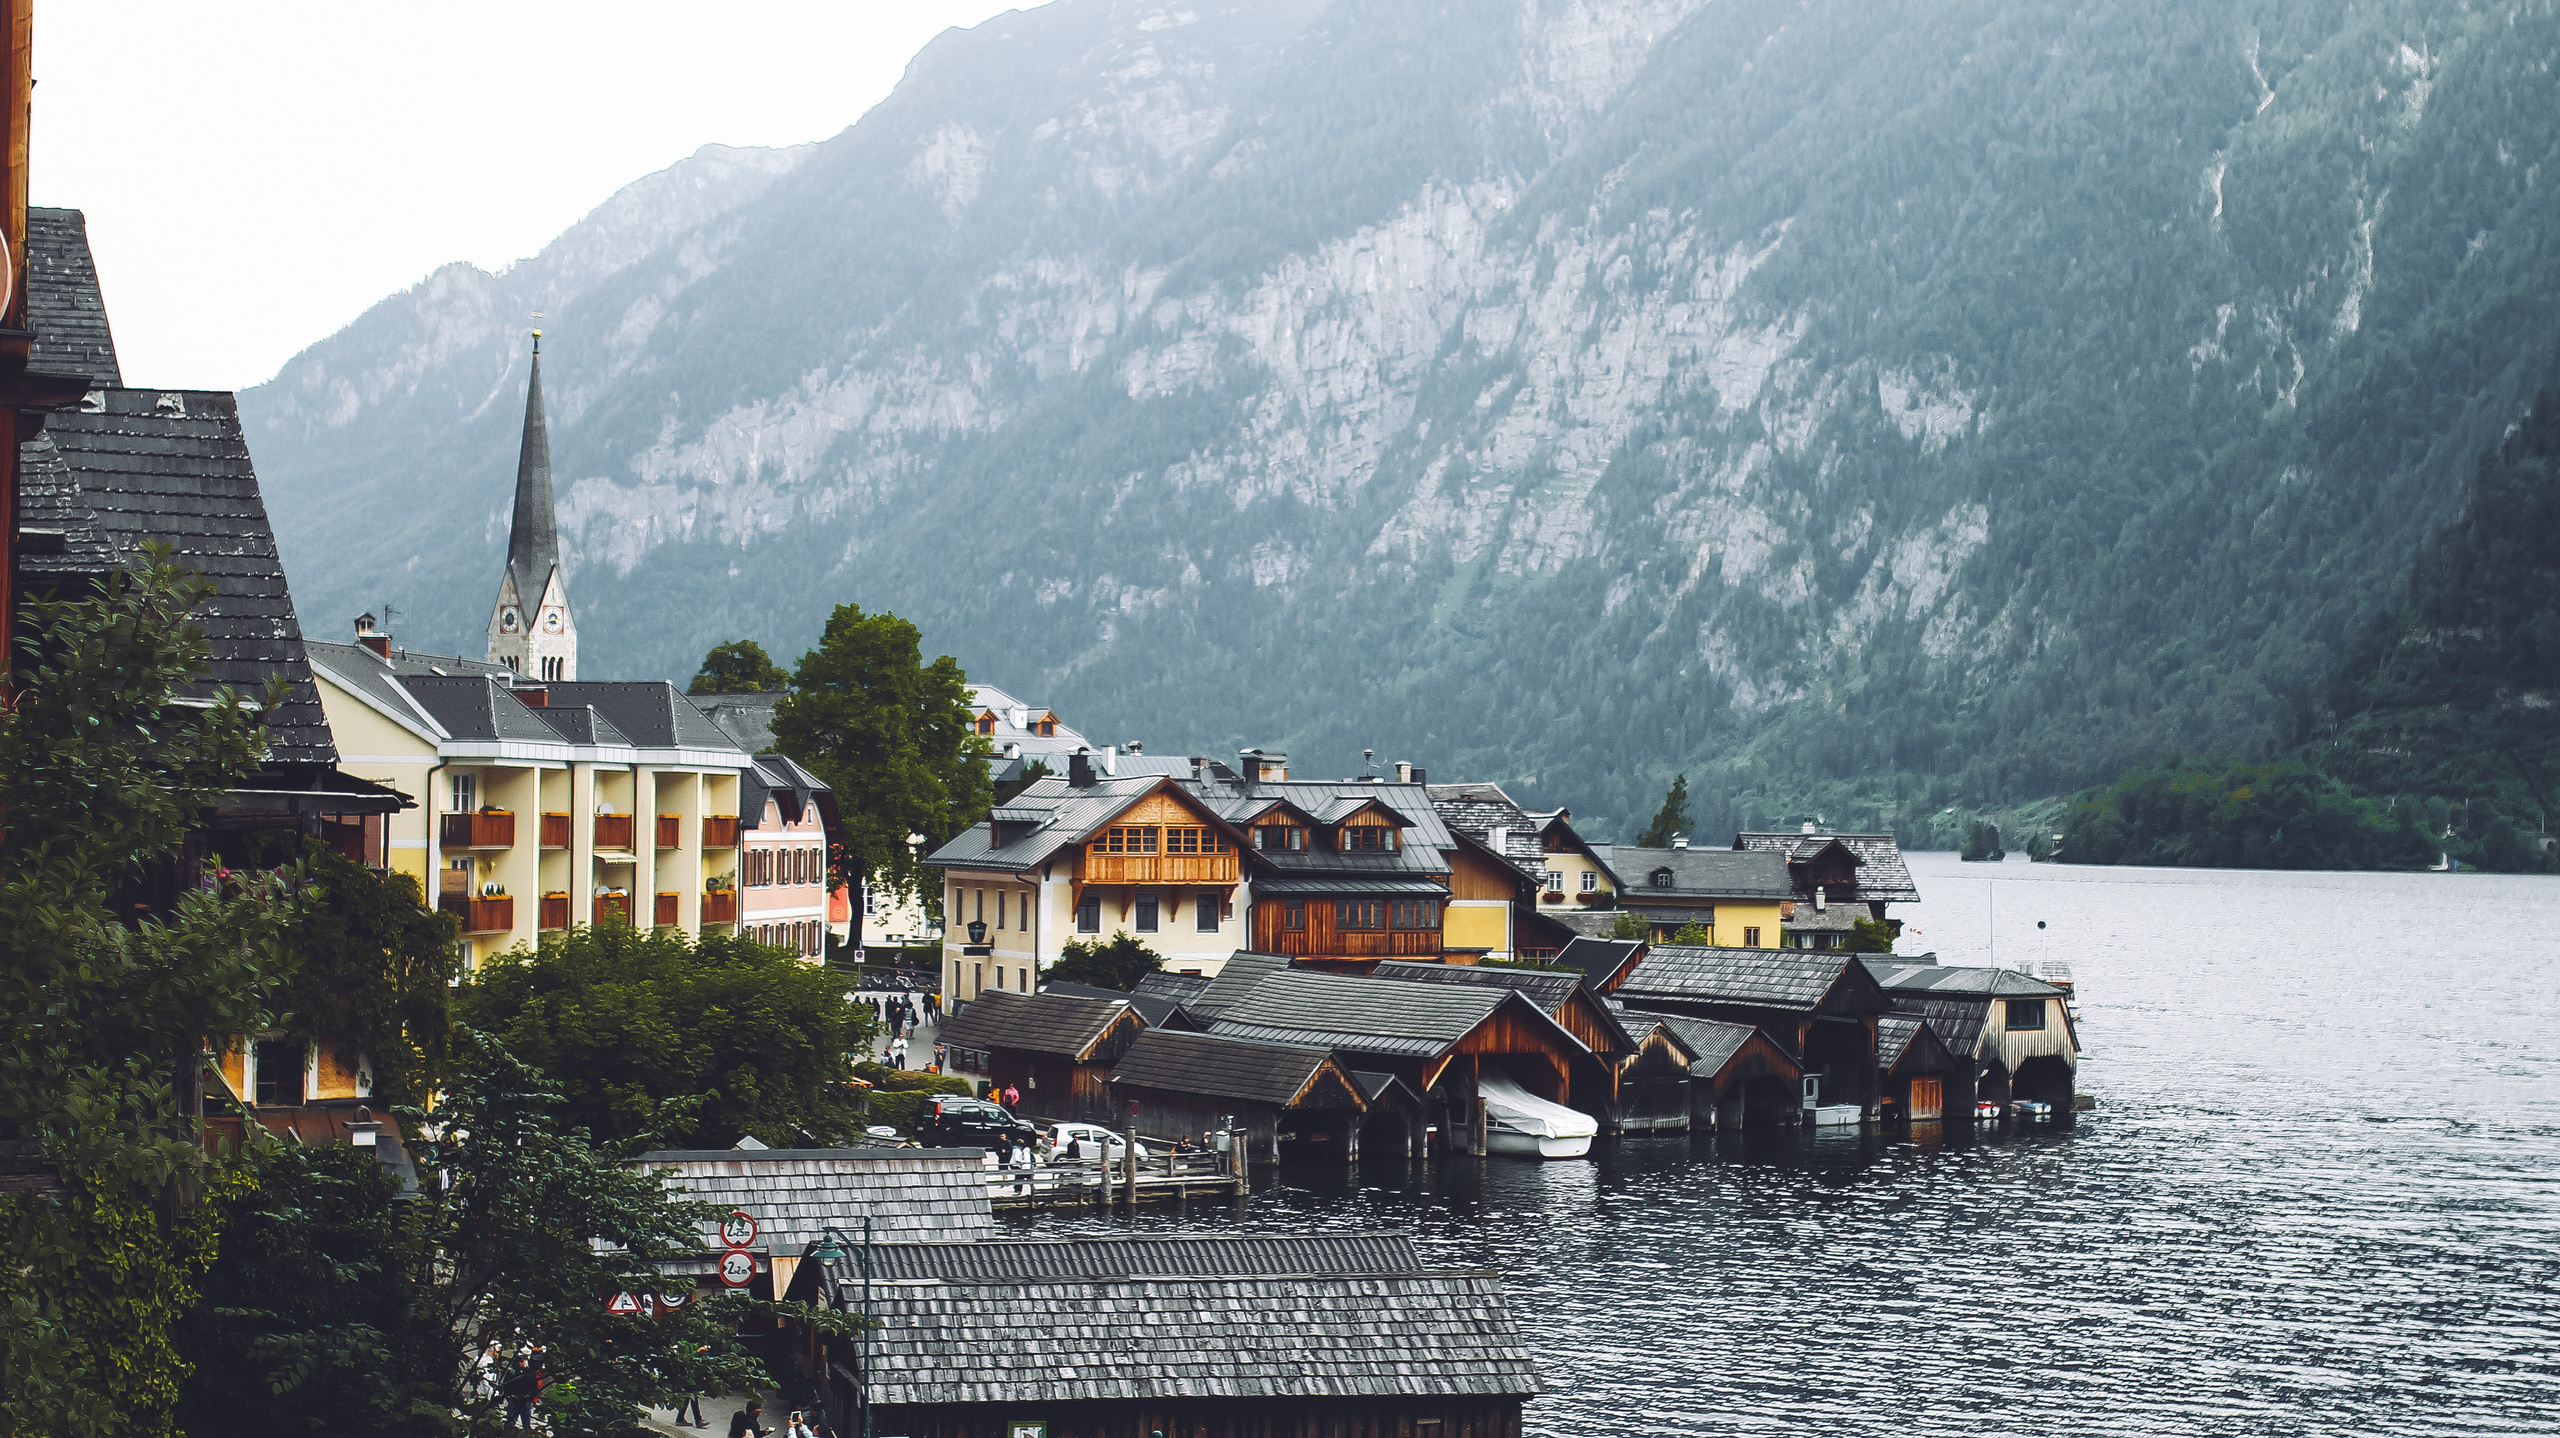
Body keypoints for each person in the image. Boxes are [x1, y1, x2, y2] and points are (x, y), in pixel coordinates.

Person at [500, 1357, 537, 1429]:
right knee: (510, 1422)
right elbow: (506, 1385)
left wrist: (529, 1398)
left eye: (522, 1361)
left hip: (525, 1401)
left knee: (526, 1423)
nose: (520, 1363)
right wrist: (509, 1398)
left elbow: (534, 1387)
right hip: (513, 1400)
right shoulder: (511, 1372)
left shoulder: (530, 1373)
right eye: (518, 1361)